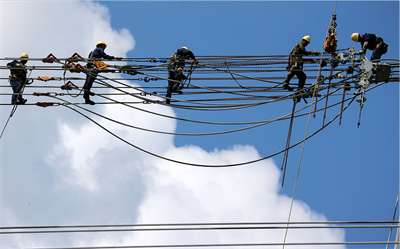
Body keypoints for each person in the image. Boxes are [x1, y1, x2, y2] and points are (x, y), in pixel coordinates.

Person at [83, 41, 121, 105]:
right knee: (91, 79)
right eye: (104, 46)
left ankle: (87, 97)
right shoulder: (99, 49)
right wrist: (114, 57)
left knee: (88, 80)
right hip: (94, 66)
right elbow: (105, 56)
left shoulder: (91, 52)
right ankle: (87, 91)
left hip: (89, 66)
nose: (104, 48)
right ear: (101, 45)